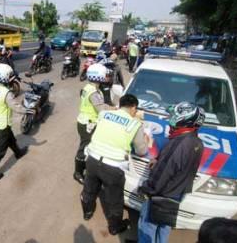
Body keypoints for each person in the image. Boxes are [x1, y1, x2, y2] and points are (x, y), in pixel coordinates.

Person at [138, 102, 205, 243]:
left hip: (161, 194)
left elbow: (162, 174)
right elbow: (180, 166)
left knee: (147, 227)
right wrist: (159, 159)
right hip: (177, 192)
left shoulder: (178, 143)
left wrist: (147, 189)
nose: (171, 118)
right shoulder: (196, 141)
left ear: (184, 119)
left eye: (174, 115)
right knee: (164, 225)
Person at [81, 94, 148, 235]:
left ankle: (87, 212)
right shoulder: (135, 124)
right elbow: (142, 151)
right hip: (112, 167)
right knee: (114, 199)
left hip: (92, 159)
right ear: (133, 108)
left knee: (89, 188)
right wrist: (147, 140)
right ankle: (114, 227)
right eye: (136, 110)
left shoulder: (105, 114)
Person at [0, 63, 29, 183]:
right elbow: (16, 107)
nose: (12, 78)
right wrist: (29, 110)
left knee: (10, 138)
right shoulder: (6, 93)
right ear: (4, 77)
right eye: (10, 76)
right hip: (2, 124)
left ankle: (18, 152)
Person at [74, 63, 114, 184]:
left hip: (85, 121)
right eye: (105, 74)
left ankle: (84, 166)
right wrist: (115, 109)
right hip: (88, 124)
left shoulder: (89, 87)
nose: (107, 76)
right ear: (100, 76)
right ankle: (78, 173)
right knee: (84, 147)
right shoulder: (94, 92)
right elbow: (101, 108)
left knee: (87, 145)